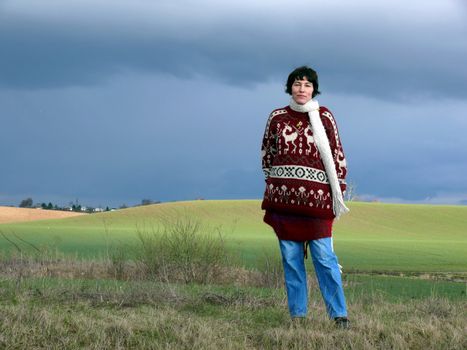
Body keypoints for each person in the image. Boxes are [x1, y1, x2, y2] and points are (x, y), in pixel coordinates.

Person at [261, 66, 350, 328]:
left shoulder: (325, 117)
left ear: (314, 89)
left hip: (318, 206)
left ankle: (339, 316)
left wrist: (337, 193)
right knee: (291, 261)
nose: (302, 89)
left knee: (325, 259)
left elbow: (338, 156)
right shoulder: (276, 118)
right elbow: (267, 154)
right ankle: (298, 317)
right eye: (298, 84)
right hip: (284, 204)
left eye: (307, 85)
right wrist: (281, 183)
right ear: (290, 87)